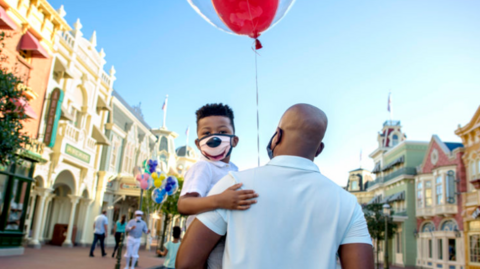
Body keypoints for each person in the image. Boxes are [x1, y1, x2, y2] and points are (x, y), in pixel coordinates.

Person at [176, 104, 374, 269]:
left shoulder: (234, 185)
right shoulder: (347, 204)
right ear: (319, 149)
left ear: (277, 136)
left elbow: (186, 264)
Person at [177, 103, 258, 269]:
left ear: (234, 140)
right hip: (206, 239)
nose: (214, 138)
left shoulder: (234, 170)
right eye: (207, 133)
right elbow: (184, 204)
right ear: (198, 143)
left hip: (228, 235)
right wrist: (220, 200)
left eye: (222, 132)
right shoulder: (203, 167)